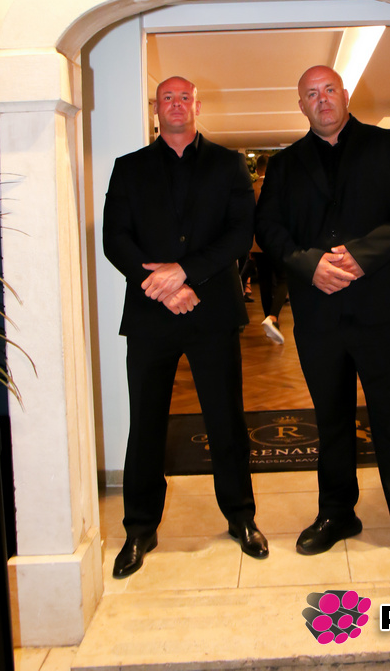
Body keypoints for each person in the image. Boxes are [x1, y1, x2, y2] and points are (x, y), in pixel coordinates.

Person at [255, 65, 390, 588]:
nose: (322, 100)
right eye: (311, 94)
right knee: (331, 418)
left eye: (329, 90)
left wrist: (361, 256)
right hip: (318, 310)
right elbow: (268, 228)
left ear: (344, 93)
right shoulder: (285, 164)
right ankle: (338, 513)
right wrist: (308, 264)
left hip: (381, 306)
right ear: (301, 105)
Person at [103, 76, 268, 578]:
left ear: (197, 105)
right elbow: (115, 239)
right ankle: (139, 528)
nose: (175, 105)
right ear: (156, 109)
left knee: (225, 419)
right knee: (146, 422)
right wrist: (163, 286)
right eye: (166, 98)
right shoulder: (128, 167)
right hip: (150, 312)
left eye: (184, 98)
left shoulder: (227, 163)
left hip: (212, 310)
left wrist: (185, 273)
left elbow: (240, 232)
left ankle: (240, 517)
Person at [251, 154, 288, 345]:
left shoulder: (251, 188)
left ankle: (270, 320)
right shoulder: (279, 186)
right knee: (284, 278)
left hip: (257, 244)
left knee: (265, 282)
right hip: (276, 242)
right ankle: (273, 317)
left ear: (257, 169)